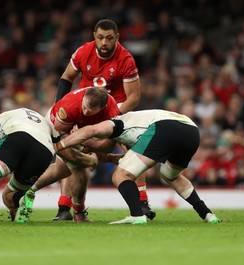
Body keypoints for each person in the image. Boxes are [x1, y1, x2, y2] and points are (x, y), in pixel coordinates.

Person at [53, 18, 154, 221]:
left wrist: (111, 117)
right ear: (94, 37)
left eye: (109, 38)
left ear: (117, 37)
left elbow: (133, 97)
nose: (104, 42)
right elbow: (66, 78)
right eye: (100, 38)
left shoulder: (125, 59)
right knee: (68, 153)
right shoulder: (83, 52)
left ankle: (142, 202)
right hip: (87, 111)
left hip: (116, 111)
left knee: (134, 149)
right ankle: (64, 208)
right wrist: (61, 108)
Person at [54, 109, 221, 224]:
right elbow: (136, 159)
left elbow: (90, 131)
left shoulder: (116, 123)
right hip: (191, 130)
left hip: (164, 128)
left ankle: (137, 215)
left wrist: (59, 145)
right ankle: (207, 214)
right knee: (170, 175)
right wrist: (107, 156)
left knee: (120, 176)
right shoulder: (135, 124)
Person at [0, 108, 93, 225]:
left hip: (17, 136)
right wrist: (92, 160)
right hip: (44, 151)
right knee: (9, 196)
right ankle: (21, 203)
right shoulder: (47, 125)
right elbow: (68, 155)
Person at [39, 86, 120, 222]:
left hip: (83, 134)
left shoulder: (113, 114)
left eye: (91, 110)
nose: (86, 112)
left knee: (61, 170)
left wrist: (84, 141)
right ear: (83, 98)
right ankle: (79, 212)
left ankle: (25, 188)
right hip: (59, 130)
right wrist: (81, 145)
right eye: (85, 107)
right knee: (81, 169)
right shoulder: (70, 105)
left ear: (102, 108)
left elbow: (107, 146)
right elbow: (61, 134)